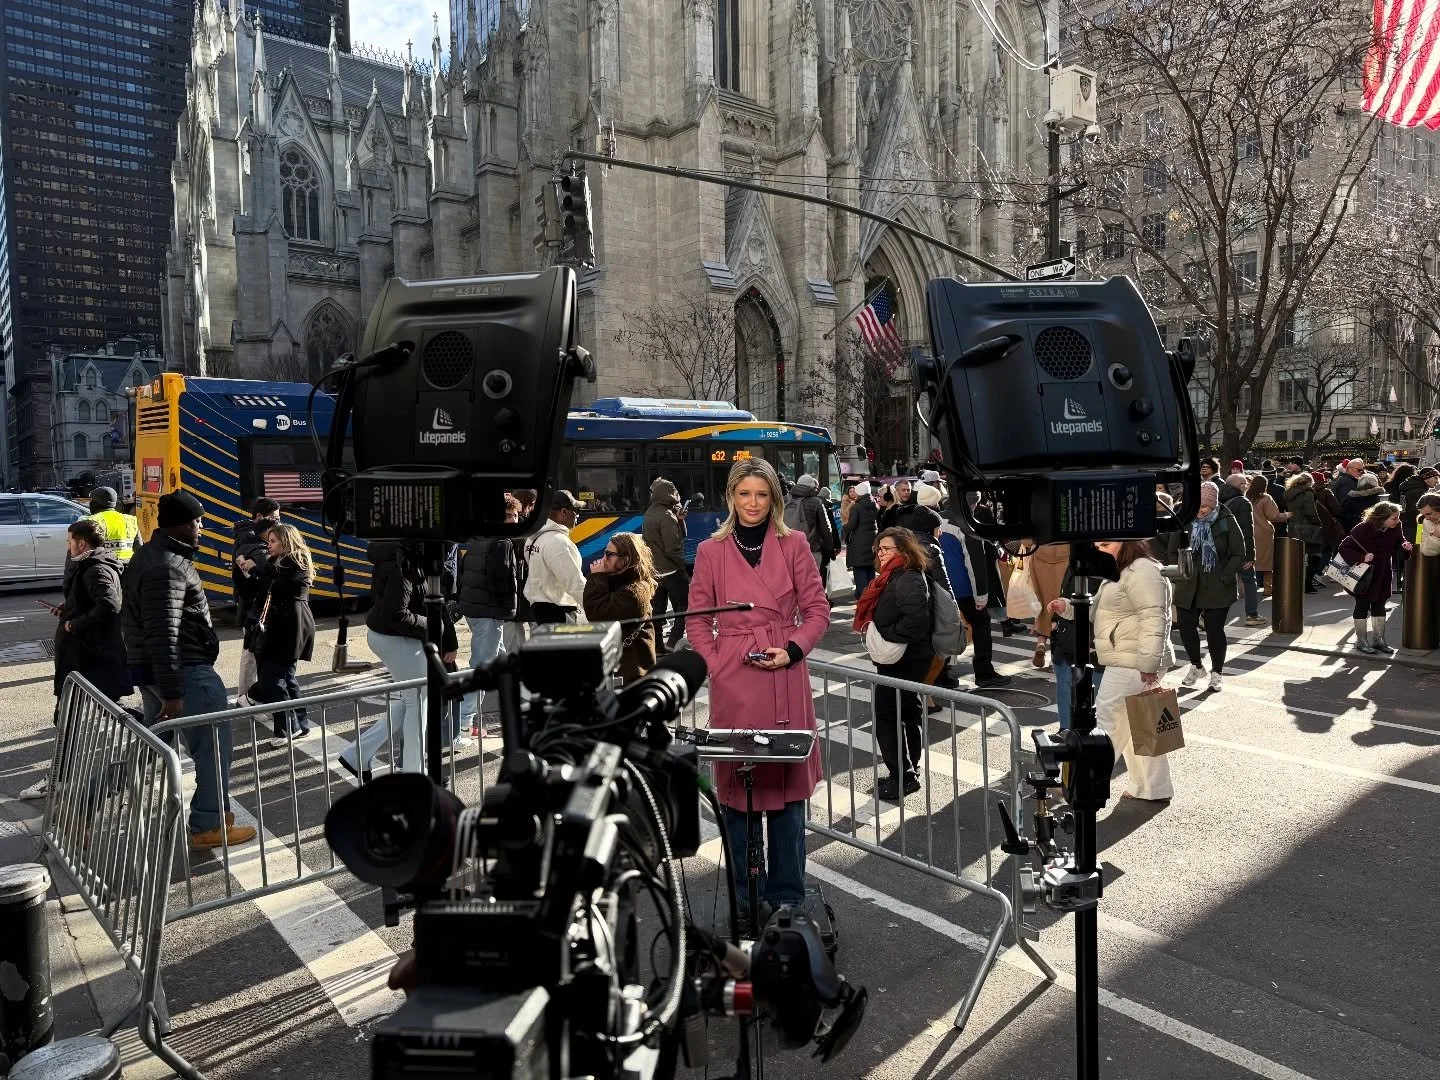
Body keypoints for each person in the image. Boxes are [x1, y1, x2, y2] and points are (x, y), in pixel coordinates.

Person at [685, 458, 829, 926]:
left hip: (784, 676)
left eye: (762, 495)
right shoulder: (710, 551)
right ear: (731, 498)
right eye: (744, 494)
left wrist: (792, 649)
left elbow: (817, 610)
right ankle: (746, 900)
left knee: (787, 800)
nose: (753, 504)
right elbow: (696, 620)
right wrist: (717, 662)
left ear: (775, 500)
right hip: (735, 683)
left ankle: (787, 899)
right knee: (737, 799)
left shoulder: (795, 544)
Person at [123, 491, 256, 849]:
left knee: (151, 747)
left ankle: (83, 808)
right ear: (181, 524)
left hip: (161, 673)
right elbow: (162, 631)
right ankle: (209, 825)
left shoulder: (151, 556)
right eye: (197, 521)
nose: (201, 528)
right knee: (214, 747)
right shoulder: (168, 565)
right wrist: (173, 693)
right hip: (185, 674)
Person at [1050, 540, 1175, 801]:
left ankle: (1075, 785)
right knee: (1139, 724)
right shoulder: (1125, 569)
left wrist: (1149, 663)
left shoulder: (1141, 570)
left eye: (1106, 544)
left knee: (1104, 724)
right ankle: (1152, 788)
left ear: (1127, 543)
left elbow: (1155, 617)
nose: (1100, 549)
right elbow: (1101, 608)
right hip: (1133, 660)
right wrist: (1069, 607)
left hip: (1133, 662)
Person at [341, 542, 458, 779]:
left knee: (411, 700)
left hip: (395, 636)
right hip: (394, 637)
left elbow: (433, 601)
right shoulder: (401, 566)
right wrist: (435, 626)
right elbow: (397, 613)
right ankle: (415, 772)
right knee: (418, 700)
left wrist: (446, 634)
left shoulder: (409, 559)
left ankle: (358, 754)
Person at [854, 528, 934, 800]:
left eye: (887, 548)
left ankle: (903, 776)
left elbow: (916, 621)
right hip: (906, 656)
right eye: (879, 549)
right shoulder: (895, 575)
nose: (881, 553)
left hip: (904, 658)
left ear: (904, 550)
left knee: (889, 716)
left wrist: (889, 641)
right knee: (907, 711)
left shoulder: (908, 576)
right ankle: (908, 769)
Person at [1160, 481, 1245, 690]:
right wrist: (1180, 572)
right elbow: (1172, 550)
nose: (1200, 511)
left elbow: (1238, 553)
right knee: (1187, 628)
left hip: (1217, 583)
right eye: (1197, 506)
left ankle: (1217, 672)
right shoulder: (1185, 520)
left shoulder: (1226, 519)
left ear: (1214, 504)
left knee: (1215, 630)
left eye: (1204, 507)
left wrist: (1225, 575)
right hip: (1188, 583)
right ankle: (1196, 665)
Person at [237, 524, 316, 742]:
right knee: (286, 677)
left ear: (286, 541)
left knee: (274, 677)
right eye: (268, 541)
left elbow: (279, 585)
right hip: (281, 625)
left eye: (273, 541)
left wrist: (255, 570)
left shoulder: (296, 560)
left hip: (292, 625)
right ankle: (299, 724)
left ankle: (287, 727)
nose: (269, 545)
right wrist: (248, 570)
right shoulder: (276, 563)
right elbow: (264, 585)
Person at [456, 522, 516, 735]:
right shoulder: (502, 543)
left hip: (474, 608)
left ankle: (513, 707)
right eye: (509, 516)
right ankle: (463, 724)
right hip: (489, 611)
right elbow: (501, 579)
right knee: (482, 667)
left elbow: (463, 572)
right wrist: (510, 605)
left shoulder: (477, 538)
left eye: (515, 516)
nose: (514, 521)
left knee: (500, 658)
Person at [937, 517, 1011, 690]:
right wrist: (981, 596)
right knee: (981, 624)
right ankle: (984, 672)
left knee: (945, 627)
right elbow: (975, 562)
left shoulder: (933, 522)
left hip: (941, 587)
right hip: (964, 588)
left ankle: (940, 674)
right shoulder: (965, 525)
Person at [582, 532, 658, 682]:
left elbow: (597, 614)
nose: (604, 559)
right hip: (619, 666)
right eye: (605, 552)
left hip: (633, 671)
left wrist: (597, 578)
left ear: (626, 560)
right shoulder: (615, 580)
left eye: (610, 554)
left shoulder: (636, 591)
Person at [1339, 501, 1413, 655]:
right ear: (1382, 517)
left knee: (1379, 605)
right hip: (1366, 575)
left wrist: (1405, 547)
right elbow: (1344, 547)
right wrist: (1362, 557)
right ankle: (1361, 641)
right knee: (1362, 605)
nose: (1397, 521)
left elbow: (1400, 542)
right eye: (1394, 518)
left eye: (1398, 517)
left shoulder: (1396, 527)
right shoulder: (1363, 528)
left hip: (1384, 572)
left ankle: (1379, 641)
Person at [232, 499, 281, 707]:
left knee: (250, 652)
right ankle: (247, 696)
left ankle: (246, 695)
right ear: (260, 517)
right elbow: (266, 577)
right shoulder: (255, 543)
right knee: (252, 654)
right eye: (275, 518)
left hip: (248, 604)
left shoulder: (246, 537)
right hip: (254, 606)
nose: (278, 522)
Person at [524, 491, 587, 625]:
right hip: (559, 613)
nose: (577, 515)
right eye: (575, 510)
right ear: (563, 512)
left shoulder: (532, 538)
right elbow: (575, 583)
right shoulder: (558, 542)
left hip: (539, 610)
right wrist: (595, 608)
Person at [642, 478, 690, 651]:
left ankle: (657, 645)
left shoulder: (649, 513)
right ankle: (674, 640)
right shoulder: (666, 516)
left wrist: (680, 520)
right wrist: (683, 567)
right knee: (685, 604)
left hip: (655, 571)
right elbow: (673, 547)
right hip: (671, 570)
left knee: (658, 609)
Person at [1220, 474, 1260, 625]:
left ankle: (1206, 617)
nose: (1246, 486)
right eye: (1244, 484)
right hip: (1240, 549)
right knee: (1249, 581)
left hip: (1224, 548)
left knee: (1224, 583)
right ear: (1239, 485)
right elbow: (1246, 530)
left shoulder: (1221, 500)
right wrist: (1250, 556)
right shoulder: (1242, 502)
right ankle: (1252, 615)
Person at [783, 473, 838, 579]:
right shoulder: (816, 502)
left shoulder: (785, 499)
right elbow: (826, 528)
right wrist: (830, 550)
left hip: (788, 550)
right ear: (812, 487)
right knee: (811, 582)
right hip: (812, 549)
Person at [1245, 474, 1289, 596]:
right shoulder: (1265, 498)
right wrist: (1286, 515)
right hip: (1264, 533)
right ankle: (1267, 588)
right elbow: (1273, 516)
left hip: (1248, 531)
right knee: (1267, 562)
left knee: (1248, 560)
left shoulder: (1245, 497)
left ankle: (1244, 589)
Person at [1284, 472, 1327, 591]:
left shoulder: (1289, 493)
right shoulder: (1307, 493)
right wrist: (1318, 523)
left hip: (1293, 527)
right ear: (1308, 482)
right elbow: (1310, 512)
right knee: (1315, 555)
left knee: (1297, 557)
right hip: (1308, 527)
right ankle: (1307, 584)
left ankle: (1294, 583)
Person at [506, 490, 536, 654]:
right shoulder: (528, 531)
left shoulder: (522, 533)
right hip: (521, 597)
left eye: (515, 516)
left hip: (518, 599)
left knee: (515, 647)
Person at [82, 486, 140, 564]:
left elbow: (81, 551)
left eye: (91, 501)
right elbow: (139, 548)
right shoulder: (131, 520)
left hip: (102, 568)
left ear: (95, 503)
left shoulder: (89, 520)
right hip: (128, 568)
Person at [844, 480, 879, 598]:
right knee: (870, 567)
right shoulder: (874, 505)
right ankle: (871, 595)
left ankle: (862, 596)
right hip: (873, 539)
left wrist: (844, 528)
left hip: (859, 541)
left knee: (859, 568)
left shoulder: (857, 507)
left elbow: (852, 525)